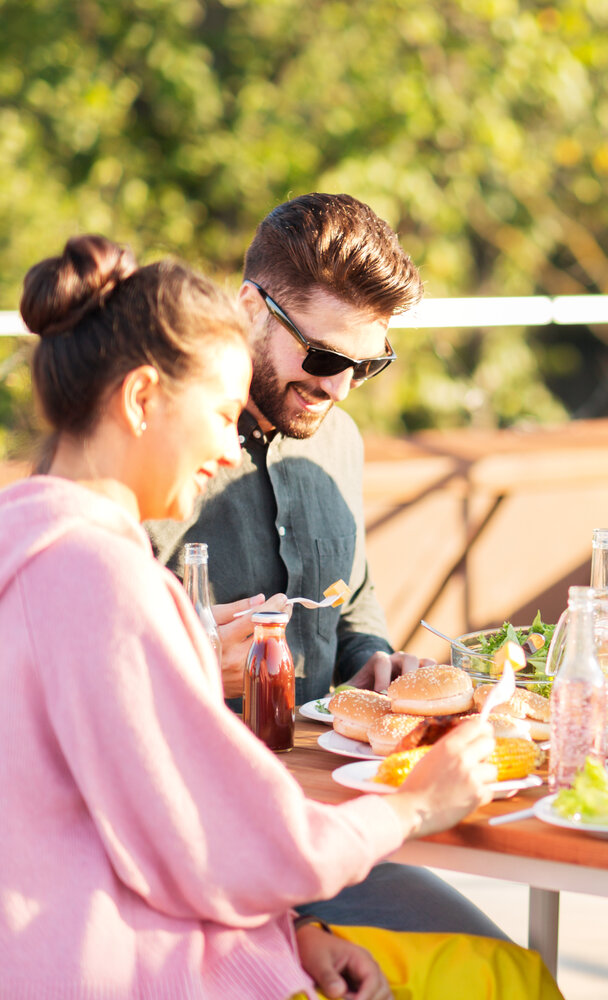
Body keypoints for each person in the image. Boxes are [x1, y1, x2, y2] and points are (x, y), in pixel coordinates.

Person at [0, 234, 559, 999]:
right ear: (140, 401)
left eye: (366, 367)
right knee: (508, 981)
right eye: (219, 416)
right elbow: (224, 844)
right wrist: (416, 805)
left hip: (205, 902)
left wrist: (297, 924)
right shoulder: (107, 579)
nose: (228, 452)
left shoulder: (30, 547)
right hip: (152, 953)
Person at [142, 193, 506, 939]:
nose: (340, 388)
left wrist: (375, 662)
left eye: (366, 367)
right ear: (250, 307)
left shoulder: (337, 442)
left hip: (332, 816)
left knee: (501, 966)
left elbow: (351, 603)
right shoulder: (159, 451)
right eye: (326, 357)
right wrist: (199, 653)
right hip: (194, 845)